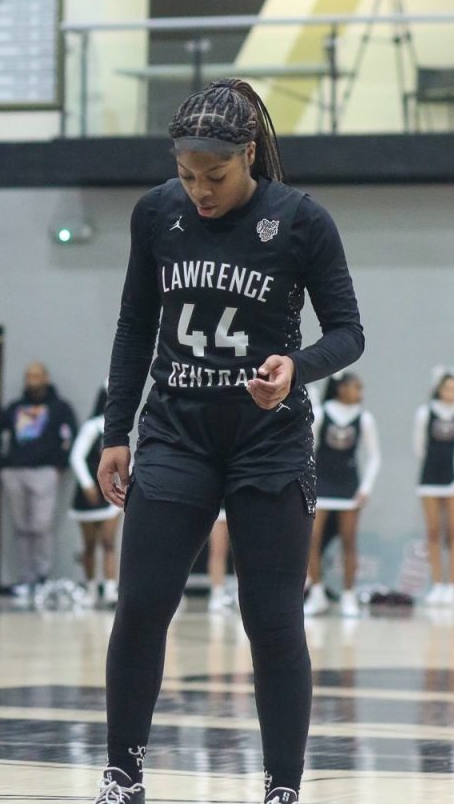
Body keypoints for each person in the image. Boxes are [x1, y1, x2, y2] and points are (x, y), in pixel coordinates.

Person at [93, 78, 364, 804]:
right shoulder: (156, 214)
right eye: (187, 176)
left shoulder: (301, 221)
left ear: (248, 155)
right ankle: (123, 773)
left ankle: (282, 787)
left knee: (270, 618)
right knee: (143, 604)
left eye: (214, 177)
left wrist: (297, 367)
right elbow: (133, 326)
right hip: (176, 432)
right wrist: (115, 430)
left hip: (267, 440)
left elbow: (348, 332)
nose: (199, 191)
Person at [304, 370, 380, 619]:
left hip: (349, 487)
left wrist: (365, 487)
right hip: (322, 485)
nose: (361, 393)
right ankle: (317, 594)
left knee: (349, 542)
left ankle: (349, 595)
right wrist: (308, 483)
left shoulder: (364, 418)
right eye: (356, 387)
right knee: (311, 541)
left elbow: (374, 457)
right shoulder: (323, 413)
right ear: (340, 389)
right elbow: (307, 449)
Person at [0, 363, 77, 596]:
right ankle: (25, 578)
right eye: (28, 375)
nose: (31, 380)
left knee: (41, 525)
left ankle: (41, 576)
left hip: (45, 471)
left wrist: (59, 466)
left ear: (45, 378)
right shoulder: (14, 407)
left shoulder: (59, 408)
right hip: (15, 471)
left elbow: (69, 435)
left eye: (36, 375)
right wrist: (2, 466)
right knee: (21, 527)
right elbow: (1, 436)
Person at [415, 367, 454, 609]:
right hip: (429, 478)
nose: (452, 392)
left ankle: (452, 585)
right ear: (438, 389)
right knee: (433, 532)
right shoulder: (425, 413)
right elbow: (419, 447)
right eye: (448, 388)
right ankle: (437, 584)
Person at [69, 382, 121, 607]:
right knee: (90, 545)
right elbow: (77, 457)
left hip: (114, 492)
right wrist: (87, 484)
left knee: (109, 542)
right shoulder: (93, 427)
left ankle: (110, 588)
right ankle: (91, 587)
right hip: (90, 494)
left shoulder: (121, 428)